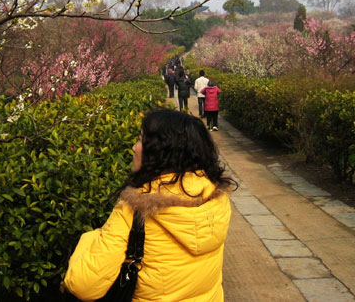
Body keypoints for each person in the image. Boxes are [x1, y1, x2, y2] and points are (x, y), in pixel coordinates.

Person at [64, 109, 235, 301]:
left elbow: (83, 285)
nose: (135, 148)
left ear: (160, 150)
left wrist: (90, 238)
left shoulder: (135, 207)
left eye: (141, 140)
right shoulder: (215, 197)